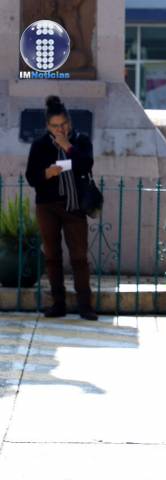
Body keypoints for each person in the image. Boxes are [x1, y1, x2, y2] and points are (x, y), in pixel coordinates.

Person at [25, 95, 98, 320]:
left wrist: (68, 146)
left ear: (70, 122)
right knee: (52, 256)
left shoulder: (80, 141)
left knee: (79, 256)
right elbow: (31, 176)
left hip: (74, 205)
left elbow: (86, 164)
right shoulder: (40, 145)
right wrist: (47, 173)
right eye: (55, 126)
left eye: (64, 124)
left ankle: (85, 305)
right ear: (48, 126)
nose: (60, 129)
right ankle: (58, 303)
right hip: (47, 206)